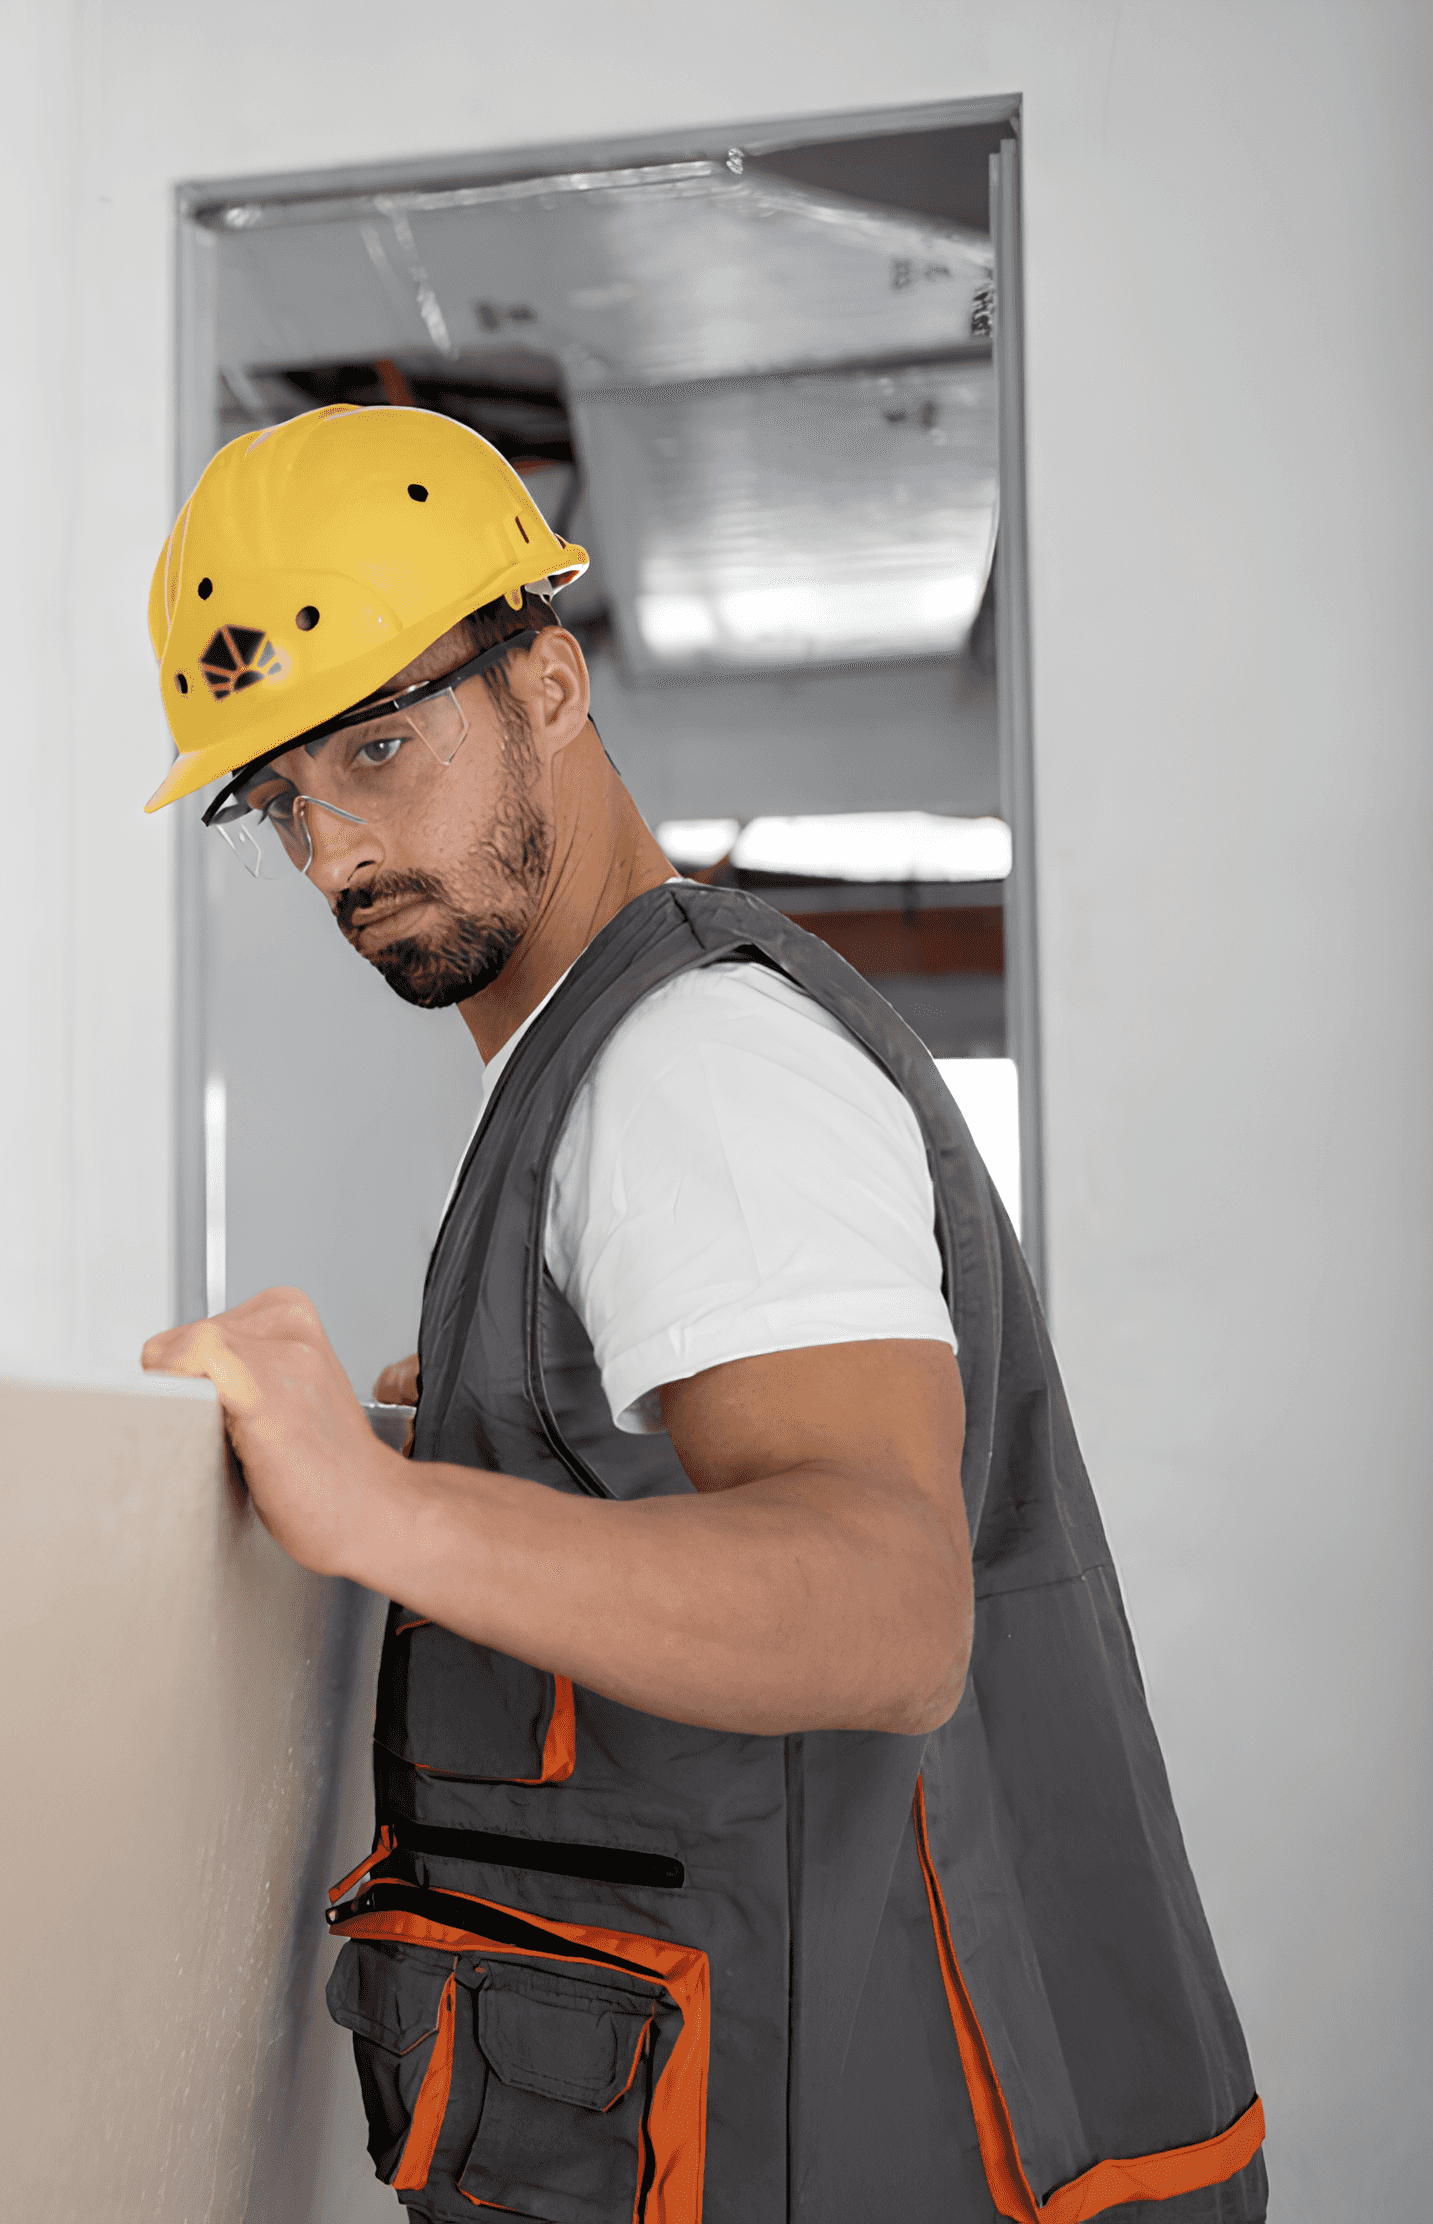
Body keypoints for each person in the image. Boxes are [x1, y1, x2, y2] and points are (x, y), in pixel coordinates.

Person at [136, 405, 1262, 2223]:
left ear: (552, 688)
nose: (333, 854)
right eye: (281, 799)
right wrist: (511, 1449)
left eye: (382, 747)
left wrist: (384, 1505)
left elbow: (894, 1611)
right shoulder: (618, 1058)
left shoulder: (694, 1071)